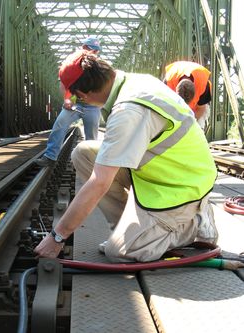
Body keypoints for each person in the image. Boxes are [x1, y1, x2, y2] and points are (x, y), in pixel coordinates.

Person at [34, 50, 218, 262]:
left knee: (120, 252)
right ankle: (128, 229)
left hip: (183, 190)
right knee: (83, 154)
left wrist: (58, 236)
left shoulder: (128, 110)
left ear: (83, 95)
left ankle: (193, 223)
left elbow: (100, 182)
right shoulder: (134, 83)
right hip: (166, 175)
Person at [35, 37, 102, 167]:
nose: (91, 52)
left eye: (94, 50)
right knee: (59, 126)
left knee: (92, 137)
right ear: (83, 47)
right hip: (75, 104)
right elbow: (63, 83)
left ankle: (91, 163)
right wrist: (66, 99)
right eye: (89, 48)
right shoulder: (72, 63)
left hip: (92, 106)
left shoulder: (98, 66)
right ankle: (50, 157)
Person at [164, 61, 212, 129]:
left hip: (197, 109)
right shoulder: (169, 80)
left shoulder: (203, 84)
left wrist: (189, 122)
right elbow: (165, 106)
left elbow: (201, 109)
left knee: (197, 127)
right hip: (175, 108)